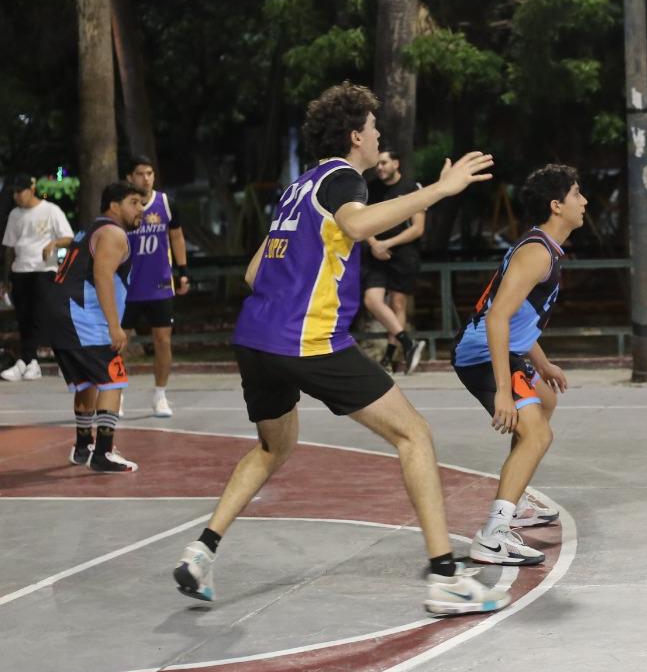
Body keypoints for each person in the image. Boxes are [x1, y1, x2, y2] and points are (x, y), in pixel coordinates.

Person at [171, 83, 508, 616]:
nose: (379, 137)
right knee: (414, 434)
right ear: (356, 136)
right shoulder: (344, 179)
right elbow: (355, 224)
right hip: (307, 340)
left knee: (272, 448)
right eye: (374, 129)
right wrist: (440, 190)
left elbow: (255, 271)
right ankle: (446, 577)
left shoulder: (295, 189)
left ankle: (201, 551)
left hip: (256, 339)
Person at [452, 164, 584, 565]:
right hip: (480, 351)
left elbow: (518, 316)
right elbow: (496, 318)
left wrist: (541, 363)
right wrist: (504, 394)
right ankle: (493, 535)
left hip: (501, 348)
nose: (585, 201)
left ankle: (518, 498)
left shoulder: (543, 248)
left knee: (545, 401)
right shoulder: (535, 253)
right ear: (556, 205)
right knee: (538, 436)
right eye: (577, 194)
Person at [45, 182, 145, 472]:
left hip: (61, 317)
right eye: (134, 203)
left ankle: (82, 447)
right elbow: (102, 277)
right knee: (113, 380)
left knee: (87, 382)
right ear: (114, 206)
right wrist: (115, 326)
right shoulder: (114, 234)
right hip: (83, 318)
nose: (140, 209)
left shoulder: (89, 229)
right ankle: (103, 453)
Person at [121, 155, 189, 417]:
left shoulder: (165, 203)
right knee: (120, 342)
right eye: (140, 173)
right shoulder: (123, 208)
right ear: (130, 177)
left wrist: (182, 271)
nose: (146, 178)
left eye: (149, 173)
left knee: (163, 340)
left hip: (159, 284)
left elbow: (177, 237)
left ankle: (160, 395)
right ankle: (117, 394)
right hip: (128, 286)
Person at [1, 174, 74, 382]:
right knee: (24, 316)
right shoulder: (15, 215)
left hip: (44, 269)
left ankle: (30, 361)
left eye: (20, 191)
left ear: (31, 190)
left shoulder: (51, 210)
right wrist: (5, 279)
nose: (16, 196)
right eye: (14, 192)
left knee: (41, 314)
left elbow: (68, 237)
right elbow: (9, 248)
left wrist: (53, 244)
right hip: (20, 270)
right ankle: (30, 362)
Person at [362, 146, 427, 375]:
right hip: (376, 253)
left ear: (396, 164)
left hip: (403, 252)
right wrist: (374, 244)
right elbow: (361, 220)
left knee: (397, 304)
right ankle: (408, 343)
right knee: (372, 300)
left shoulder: (411, 188)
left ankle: (390, 358)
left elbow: (418, 228)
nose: (379, 168)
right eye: (377, 164)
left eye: (384, 163)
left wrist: (387, 244)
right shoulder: (370, 189)